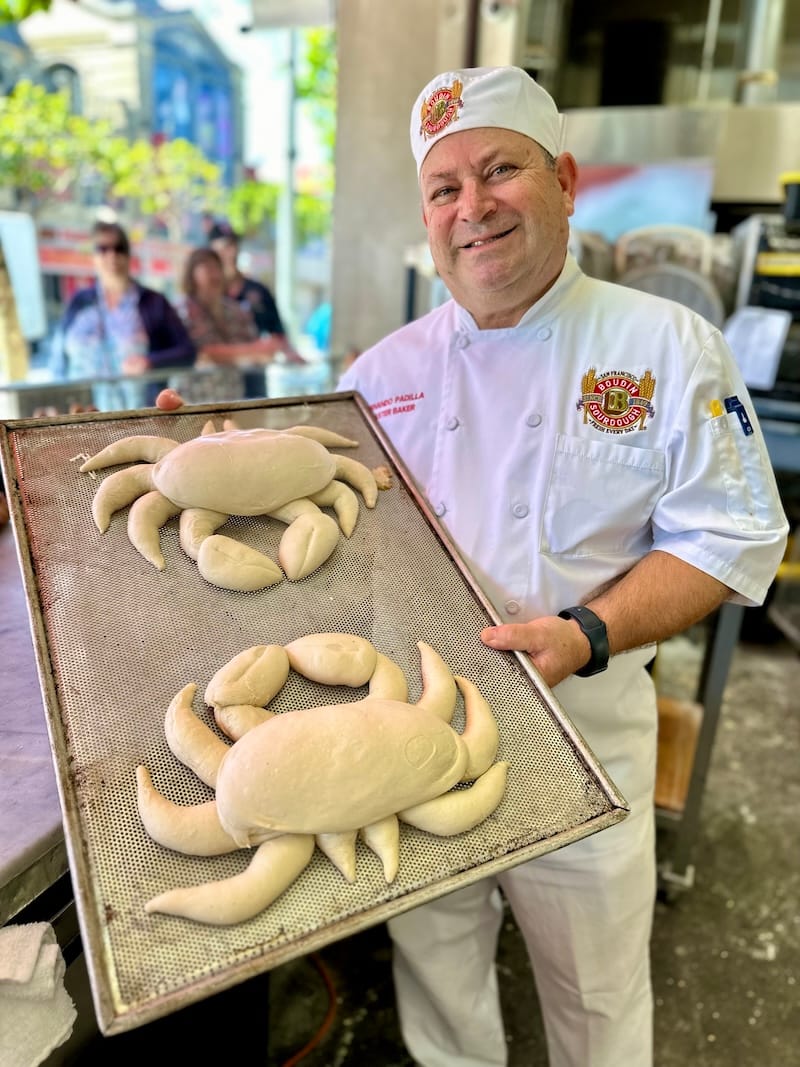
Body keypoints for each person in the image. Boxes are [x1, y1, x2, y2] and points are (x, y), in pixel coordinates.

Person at [155, 67, 788, 1067]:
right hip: (410, 733)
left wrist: (588, 630)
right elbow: (311, 517)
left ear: (565, 179)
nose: (472, 206)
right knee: (440, 994)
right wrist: (204, 459)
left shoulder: (666, 345)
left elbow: (732, 536)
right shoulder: (379, 376)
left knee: (598, 1011)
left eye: (499, 170)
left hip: (584, 741)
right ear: (426, 214)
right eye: (445, 187)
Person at [52, 220, 196, 408]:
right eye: (103, 249)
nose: (112, 255)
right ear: (93, 256)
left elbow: (187, 352)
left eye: (119, 248)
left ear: (128, 255)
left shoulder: (153, 301)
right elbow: (58, 362)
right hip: (83, 416)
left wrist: (149, 361)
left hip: (140, 414)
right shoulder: (79, 302)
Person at [175, 247, 283, 402]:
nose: (215, 274)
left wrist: (259, 349)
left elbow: (258, 347)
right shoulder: (182, 310)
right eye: (207, 268)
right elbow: (202, 352)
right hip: (194, 400)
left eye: (217, 267)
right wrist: (252, 351)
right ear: (192, 274)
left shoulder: (233, 310)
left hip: (231, 397)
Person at [207, 221, 306, 381]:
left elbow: (277, 332)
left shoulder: (257, 291)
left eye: (232, 246)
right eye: (222, 248)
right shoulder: (206, 296)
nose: (229, 253)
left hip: (253, 374)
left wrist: (289, 352)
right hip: (216, 379)